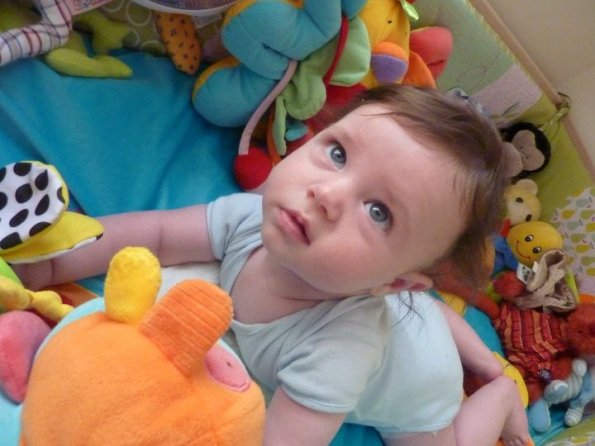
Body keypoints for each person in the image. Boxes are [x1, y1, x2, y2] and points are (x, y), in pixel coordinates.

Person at [15, 84, 532, 446]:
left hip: (424, 387)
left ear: (396, 280)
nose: (327, 194)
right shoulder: (251, 217)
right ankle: (482, 358)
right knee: (428, 315)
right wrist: (43, 265)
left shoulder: (340, 350)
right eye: (337, 154)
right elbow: (154, 234)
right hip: (412, 318)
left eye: (378, 212)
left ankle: (501, 392)